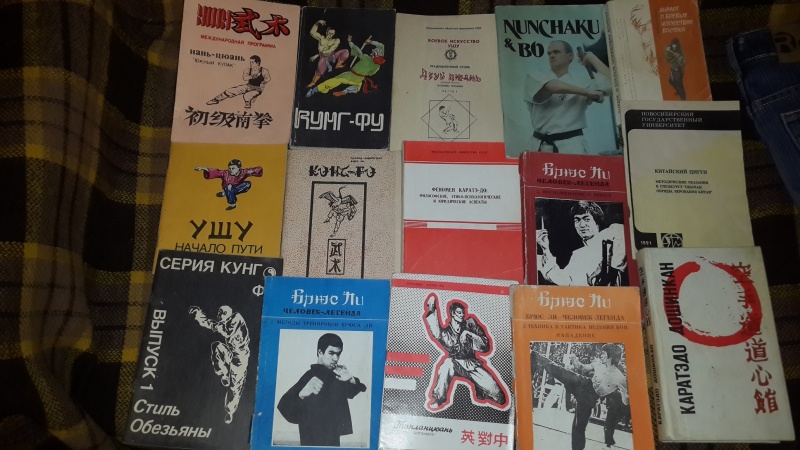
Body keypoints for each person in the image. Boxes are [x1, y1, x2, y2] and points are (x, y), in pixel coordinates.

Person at [531, 344, 630, 450]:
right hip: (582, 383)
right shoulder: (598, 364)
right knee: (560, 371)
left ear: (610, 356)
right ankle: (535, 355)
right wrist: (575, 360)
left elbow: (626, 399)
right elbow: (581, 367)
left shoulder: (619, 377)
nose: (601, 356)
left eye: (603, 354)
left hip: (589, 399)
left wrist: (624, 399)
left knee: (579, 427)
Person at [277, 333, 367, 447]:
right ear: (320, 352)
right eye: (331, 353)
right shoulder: (310, 376)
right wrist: (302, 394)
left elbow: (353, 391)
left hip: (332, 439)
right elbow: (284, 406)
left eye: (338, 354)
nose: (335, 358)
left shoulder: (335, 376)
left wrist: (351, 379)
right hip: (312, 440)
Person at [524, 40, 612, 154]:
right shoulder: (535, 75)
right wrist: (587, 92)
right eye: (549, 53)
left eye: (556, 52)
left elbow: (612, 85)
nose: (552, 55)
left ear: (570, 56)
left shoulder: (582, 80)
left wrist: (592, 58)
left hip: (572, 145)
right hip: (540, 145)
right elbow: (551, 86)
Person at [423, 293, 508, 410]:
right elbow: (436, 333)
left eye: (463, 313)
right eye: (459, 313)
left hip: (471, 363)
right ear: (452, 313)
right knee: (446, 365)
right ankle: (439, 398)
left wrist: (468, 334)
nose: (462, 315)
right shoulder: (446, 333)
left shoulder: (470, 324)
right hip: (454, 363)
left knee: (498, 395)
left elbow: (485, 346)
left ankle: (482, 393)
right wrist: (432, 310)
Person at [536, 201, 627, 286]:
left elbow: (622, 232)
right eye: (577, 220)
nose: (582, 225)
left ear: (597, 222)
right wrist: (545, 249)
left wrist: (602, 267)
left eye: (586, 219)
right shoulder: (577, 255)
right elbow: (564, 280)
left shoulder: (612, 237)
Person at [188, 305, 250, 425]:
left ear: (227, 314)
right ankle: (224, 374)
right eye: (219, 313)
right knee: (216, 346)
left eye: (221, 313)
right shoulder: (222, 323)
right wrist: (198, 313)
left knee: (235, 386)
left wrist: (216, 325)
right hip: (231, 352)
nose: (219, 316)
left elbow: (228, 332)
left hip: (240, 357)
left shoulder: (236, 318)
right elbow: (207, 323)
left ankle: (230, 411)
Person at [306, 35, 385, 98]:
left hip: (349, 75)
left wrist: (350, 42)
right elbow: (370, 74)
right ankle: (346, 91)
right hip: (359, 79)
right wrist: (370, 42)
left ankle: (313, 91)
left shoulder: (365, 57)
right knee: (357, 88)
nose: (371, 53)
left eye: (373, 53)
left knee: (333, 81)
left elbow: (358, 51)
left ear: (374, 56)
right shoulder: (377, 67)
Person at [195, 159, 262, 211]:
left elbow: (257, 169)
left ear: (239, 168)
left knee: (248, 184)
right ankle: (232, 204)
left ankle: (226, 193)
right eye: (229, 168)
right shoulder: (225, 173)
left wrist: (254, 171)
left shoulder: (244, 172)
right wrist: (203, 168)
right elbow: (216, 172)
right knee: (229, 187)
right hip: (228, 188)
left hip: (238, 187)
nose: (231, 170)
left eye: (233, 168)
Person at [206, 55, 270, 108]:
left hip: (257, 89)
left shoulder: (263, 70)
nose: (250, 64)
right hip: (248, 86)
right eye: (250, 62)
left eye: (252, 62)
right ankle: (216, 100)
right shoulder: (248, 70)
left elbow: (268, 78)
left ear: (257, 63)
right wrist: (252, 76)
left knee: (246, 96)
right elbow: (245, 78)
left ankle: (248, 104)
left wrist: (263, 82)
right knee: (230, 91)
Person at [307, 20, 350, 88]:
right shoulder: (321, 38)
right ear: (326, 32)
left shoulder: (336, 40)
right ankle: (313, 82)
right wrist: (317, 23)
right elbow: (312, 32)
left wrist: (317, 55)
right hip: (323, 58)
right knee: (320, 70)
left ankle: (338, 64)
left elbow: (331, 50)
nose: (330, 35)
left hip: (332, 56)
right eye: (329, 33)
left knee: (345, 51)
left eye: (332, 34)